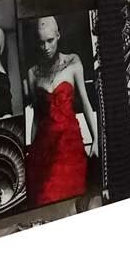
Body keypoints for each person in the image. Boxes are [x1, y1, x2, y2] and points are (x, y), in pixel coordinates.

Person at [25, 16, 98, 207]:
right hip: (44, 147)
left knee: (74, 196)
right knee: (45, 199)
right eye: (41, 43)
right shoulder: (32, 73)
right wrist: (31, 151)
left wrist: (96, 140)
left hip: (69, 144)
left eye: (50, 40)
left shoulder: (73, 62)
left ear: (58, 35)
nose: (46, 47)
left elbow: (86, 103)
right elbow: (36, 117)